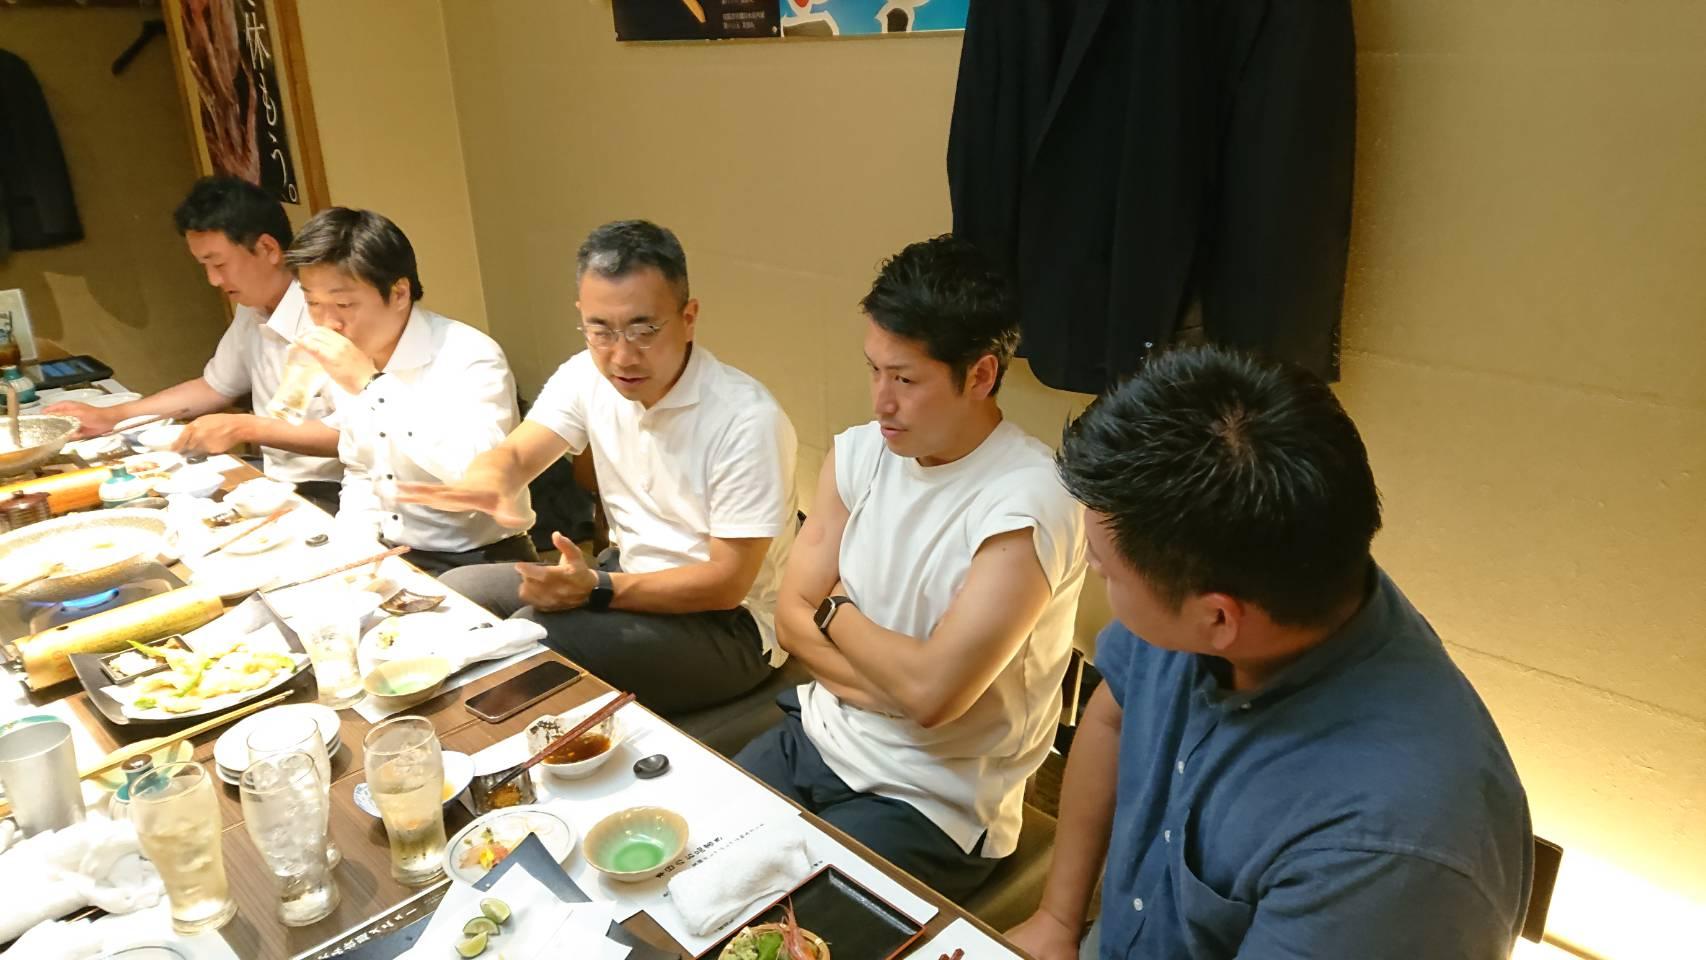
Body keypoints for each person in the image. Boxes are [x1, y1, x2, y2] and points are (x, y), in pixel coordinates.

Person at [1008, 346, 1533, 960]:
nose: (1094, 568)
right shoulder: (1255, 574)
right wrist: (1057, 919)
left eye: (1103, 568)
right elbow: (1115, 714)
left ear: (1219, 618)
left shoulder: (1387, 853)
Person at [734, 235, 1088, 901]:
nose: (880, 401)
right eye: (874, 370)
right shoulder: (859, 454)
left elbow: (931, 697)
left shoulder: (1029, 502)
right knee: (697, 852)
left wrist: (835, 609)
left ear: (980, 375)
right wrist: (894, 688)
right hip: (819, 733)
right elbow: (788, 620)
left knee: (780, 926)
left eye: (904, 379)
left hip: (936, 800)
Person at [403, 220, 797, 713]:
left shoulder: (745, 419)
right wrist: (489, 479)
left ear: (689, 317)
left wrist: (596, 589)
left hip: (730, 626)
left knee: (533, 638)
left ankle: (492, 743)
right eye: (601, 330)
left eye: (643, 330)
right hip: (626, 578)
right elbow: (518, 453)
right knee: (455, 594)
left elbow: (727, 582)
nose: (622, 356)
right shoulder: (586, 375)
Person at [45, 176, 341, 511]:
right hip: (275, 481)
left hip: (334, 491)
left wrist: (246, 428)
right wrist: (113, 416)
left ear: (268, 249)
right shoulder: (253, 309)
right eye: (205, 266)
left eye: (219, 264)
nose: (214, 280)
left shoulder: (328, 316)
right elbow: (214, 387)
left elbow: (356, 435)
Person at [284, 207, 536, 575]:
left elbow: (473, 472)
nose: (328, 322)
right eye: (313, 304)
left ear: (399, 292)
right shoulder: (351, 357)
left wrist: (371, 386)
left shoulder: (470, 355)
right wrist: (352, 553)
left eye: (344, 304)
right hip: (395, 552)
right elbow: (362, 471)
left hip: (481, 558)